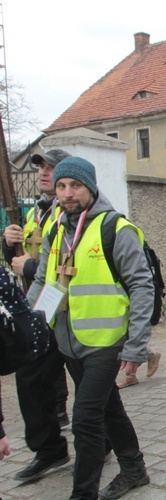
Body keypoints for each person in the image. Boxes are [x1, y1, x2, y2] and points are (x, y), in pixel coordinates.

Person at [27, 157, 152, 499]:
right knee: (109, 407)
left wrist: (136, 346)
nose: (67, 193)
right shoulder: (56, 229)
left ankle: (83, 494)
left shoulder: (115, 228)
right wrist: (30, 325)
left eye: (76, 186)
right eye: (62, 186)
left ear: (91, 187)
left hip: (106, 342)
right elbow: (43, 279)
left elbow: (142, 287)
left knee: (84, 419)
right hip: (69, 341)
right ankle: (134, 468)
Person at [2, 148, 72, 483]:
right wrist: (8, 243)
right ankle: (49, 449)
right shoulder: (37, 212)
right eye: (41, 168)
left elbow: (60, 260)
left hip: (70, 307)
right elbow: (22, 258)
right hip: (40, 305)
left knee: (92, 383)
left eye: (51, 168)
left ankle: (109, 444)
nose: (44, 173)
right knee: (30, 375)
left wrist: (27, 265)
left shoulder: (73, 211)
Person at [0, 265, 54, 462]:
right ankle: (49, 449)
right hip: (43, 315)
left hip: (70, 320)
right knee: (31, 381)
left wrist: (29, 265)